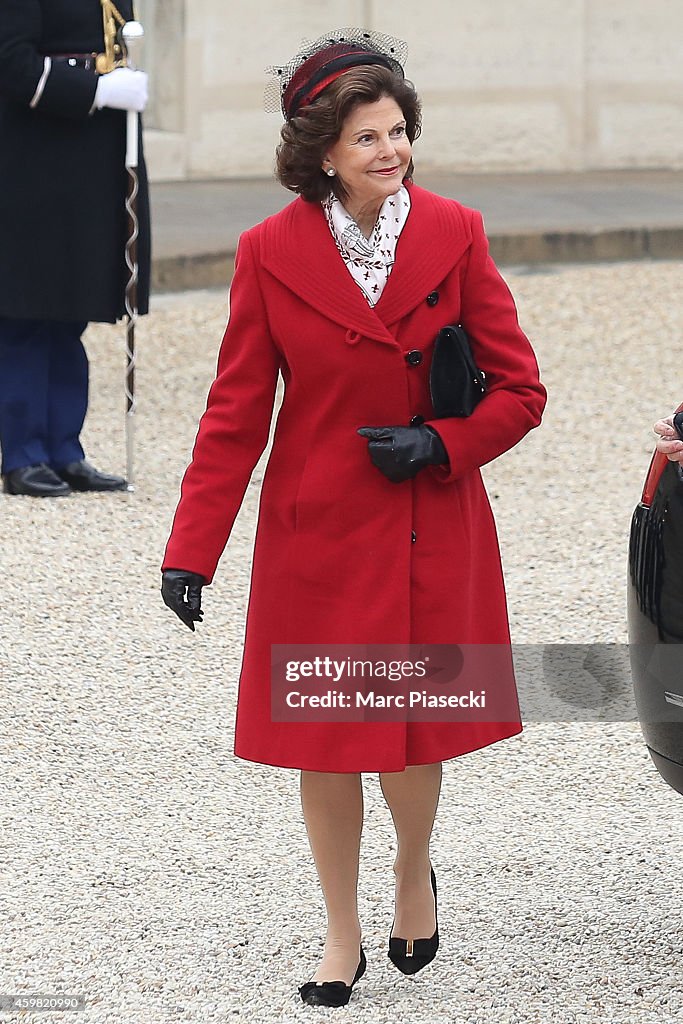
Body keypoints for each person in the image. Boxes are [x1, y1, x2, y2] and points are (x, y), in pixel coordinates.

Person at [161, 30, 546, 1008]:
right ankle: (341, 932)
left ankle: (411, 871)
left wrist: (440, 445)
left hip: (428, 528)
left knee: (411, 740)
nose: (390, 149)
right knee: (325, 743)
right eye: (367, 136)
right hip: (317, 543)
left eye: (398, 130)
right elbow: (235, 416)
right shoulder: (266, 253)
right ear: (322, 152)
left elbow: (520, 391)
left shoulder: (456, 232)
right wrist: (189, 552)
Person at [0, 0, 150, 497]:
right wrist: (97, 88)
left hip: (86, 161)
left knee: (69, 314)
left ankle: (65, 450)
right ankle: (23, 454)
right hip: (30, 163)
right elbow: (12, 64)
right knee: (25, 316)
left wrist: (118, 85)